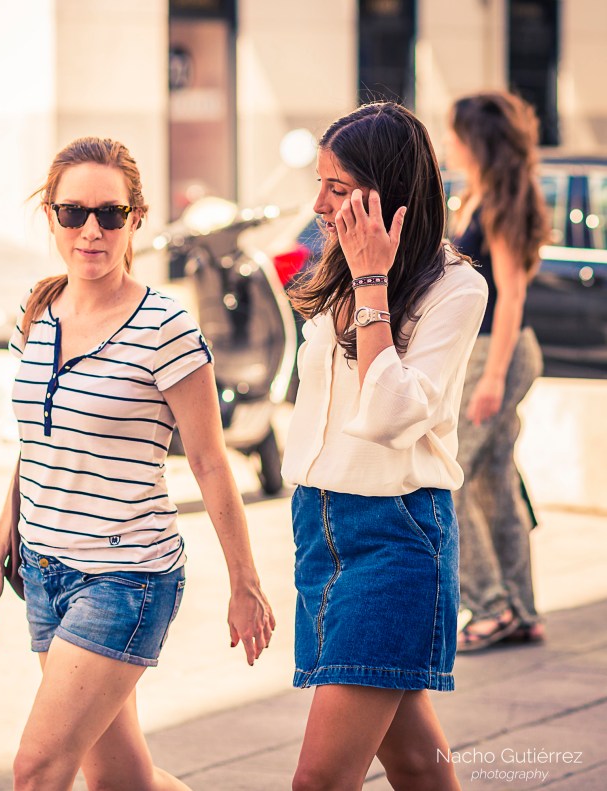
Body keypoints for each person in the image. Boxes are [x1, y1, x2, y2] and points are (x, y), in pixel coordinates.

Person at [0, 136, 275, 791]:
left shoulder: (166, 327)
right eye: (73, 211)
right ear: (49, 215)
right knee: (120, 779)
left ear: (136, 218)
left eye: (110, 213)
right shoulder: (37, 311)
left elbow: (211, 462)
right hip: (45, 572)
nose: (90, 230)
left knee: (37, 766)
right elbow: (37, 446)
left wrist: (244, 583)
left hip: (124, 578)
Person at [283, 102, 488, 791]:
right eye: (320, 184)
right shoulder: (337, 269)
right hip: (318, 527)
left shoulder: (455, 287)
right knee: (411, 763)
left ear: (388, 193)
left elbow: (393, 414)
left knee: (318, 778)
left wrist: (372, 280)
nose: (318, 204)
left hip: (396, 535)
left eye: (337, 190)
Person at [446, 92, 550, 652]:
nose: (450, 143)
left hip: (497, 351)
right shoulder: (485, 194)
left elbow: (510, 295)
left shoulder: (502, 200)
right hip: (496, 351)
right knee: (494, 482)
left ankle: (490, 606)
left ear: (477, 140)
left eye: (456, 134)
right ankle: (520, 608)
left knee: (452, 478)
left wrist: (491, 378)